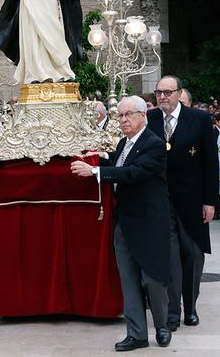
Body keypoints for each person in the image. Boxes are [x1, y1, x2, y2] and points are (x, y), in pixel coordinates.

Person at [71, 96, 172, 351]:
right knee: (128, 280)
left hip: (148, 224)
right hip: (124, 223)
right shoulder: (123, 143)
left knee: (152, 279)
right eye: (121, 116)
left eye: (129, 115)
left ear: (143, 116)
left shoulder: (155, 144)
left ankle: (161, 324)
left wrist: (94, 172)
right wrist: (98, 157)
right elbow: (120, 161)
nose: (124, 120)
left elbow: (133, 172)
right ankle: (136, 334)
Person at [147, 76, 218, 331]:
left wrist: (210, 201)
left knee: (193, 254)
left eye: (167, 92)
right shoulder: (150, 118)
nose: (162, 97)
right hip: (162, 201)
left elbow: (211, 163)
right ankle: (172, 314)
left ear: (179, 93)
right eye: (158, 93)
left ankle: (191, 307)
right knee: (170, 256)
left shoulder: (198, 119)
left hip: (192, 201)